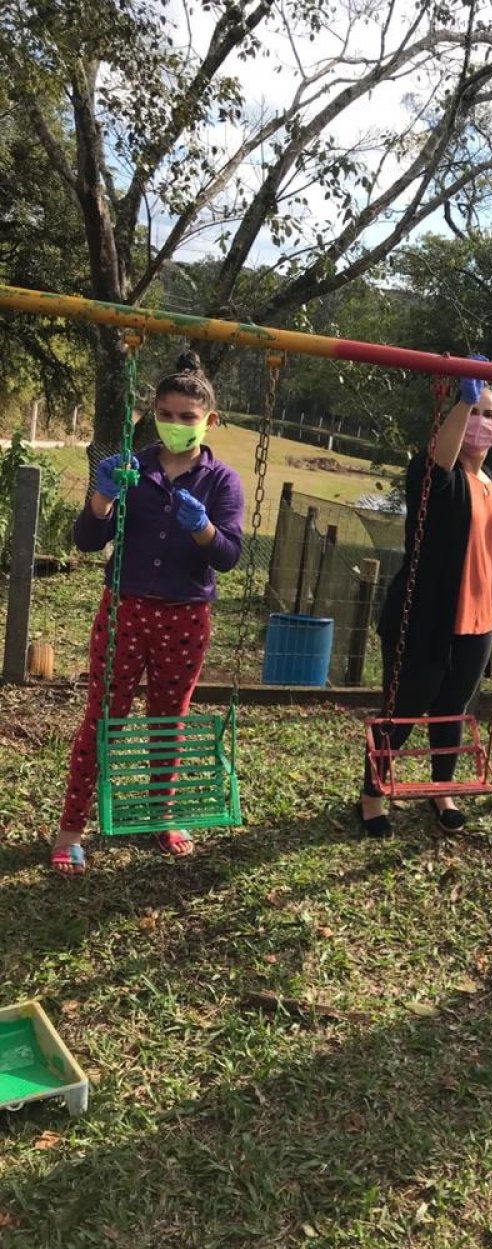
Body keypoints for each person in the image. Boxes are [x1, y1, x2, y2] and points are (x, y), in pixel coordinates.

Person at [50, 352, 245, 875]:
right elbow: (88, 541)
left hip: (186, 617)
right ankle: (72, 826)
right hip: (125, 610)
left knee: (168, 720)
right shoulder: (128, 469)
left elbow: (227, 555)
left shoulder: (221, 482)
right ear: (154, 413)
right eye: (167, 413)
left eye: (188, 416)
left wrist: (202, 527)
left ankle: (162, 814)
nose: (176, 424)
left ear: (210, 420)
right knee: (102, 719)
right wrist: (102, 498)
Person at [358, 358, 492, 838]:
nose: (481, 422)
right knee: (403, 709)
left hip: (478, 621)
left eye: (490, 413)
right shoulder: (433, 475)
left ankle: (441, 789)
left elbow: (486, 552)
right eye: (474, 411)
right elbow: (439, 463)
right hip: (424, 618)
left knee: (453, 711)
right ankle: (372, 796)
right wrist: (463, 399)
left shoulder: (489, 483)